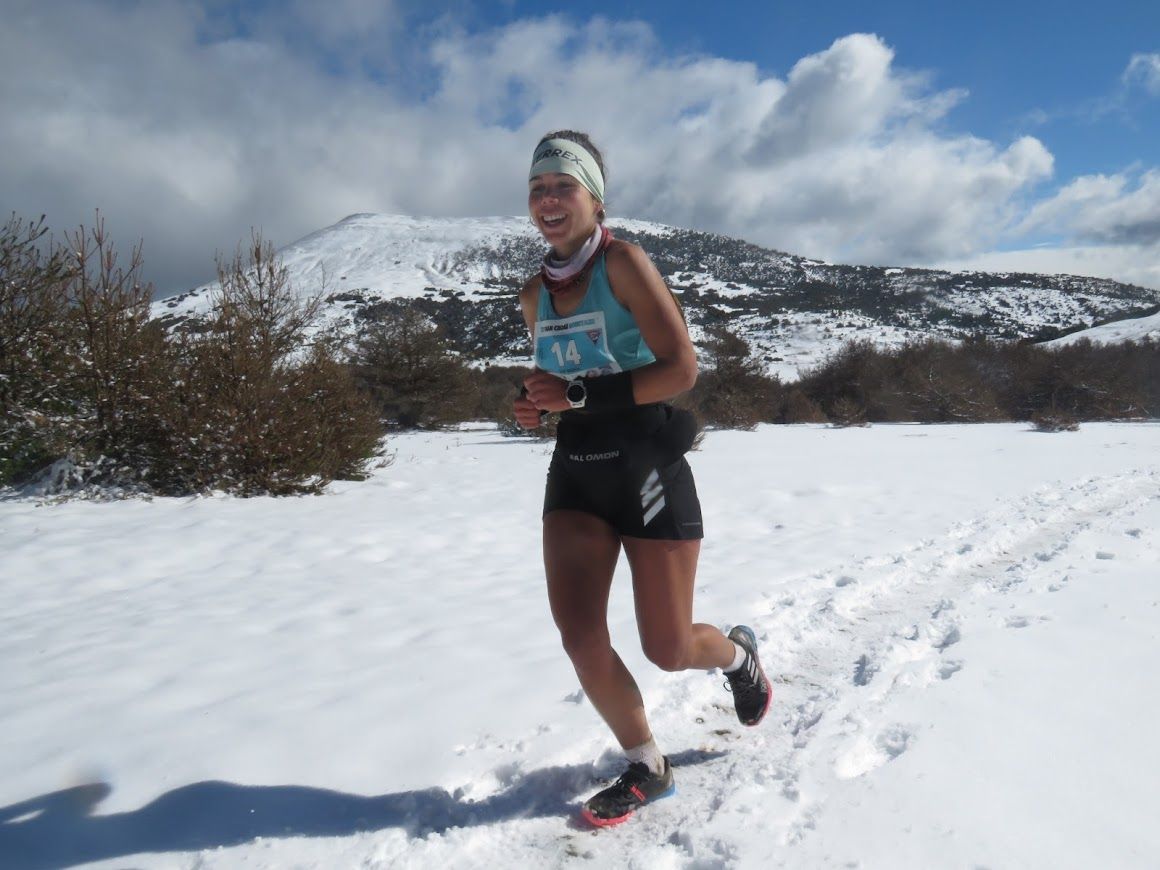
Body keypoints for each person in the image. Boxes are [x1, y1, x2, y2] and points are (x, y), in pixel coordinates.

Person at [513, 130, 772, 828]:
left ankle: (738, 656)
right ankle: (647, 766)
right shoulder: (534, 294)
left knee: (669, 647)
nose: (548, 199)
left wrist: (574, 395)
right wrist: (535, 404)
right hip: (576, 474)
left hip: (648, 466)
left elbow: (681, 369)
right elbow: (557, 381)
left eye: (563, 186)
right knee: (580, 636)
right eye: (537, 189)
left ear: (595, 199)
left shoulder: (623, 263)